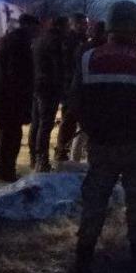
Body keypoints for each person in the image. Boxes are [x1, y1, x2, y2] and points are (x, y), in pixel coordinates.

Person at [71, 0, 136, 273]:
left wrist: (90, 126)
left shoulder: (89, 58)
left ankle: (83, 258)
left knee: (95, 201)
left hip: (101, 142)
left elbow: (75, 100)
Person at [0, 15, 40, 181]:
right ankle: (6, 172)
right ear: (28, 26)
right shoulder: (19, 44)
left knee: (5, 135)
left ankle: (0, 170)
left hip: (5, 96)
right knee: (11, 136)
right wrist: (23, 94)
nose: (37, 32)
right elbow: (16, 73)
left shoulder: (10, 40)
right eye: (35, 28)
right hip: (12, 98)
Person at [29, 16, 68, 172]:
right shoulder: (55, 41)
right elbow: (58, 66)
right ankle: (42, 159)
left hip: (37, 83)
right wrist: (62, 88)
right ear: (61, 26)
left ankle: (34, 157)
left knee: (36, 122)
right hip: (49, 87)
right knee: (45, 124)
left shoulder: (40, 39)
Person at [55, 13, 89, 163]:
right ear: (74, 25)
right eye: (83, 24)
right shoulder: (70, 42)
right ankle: (61, 152)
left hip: (77, 86)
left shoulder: (82, 40)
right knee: (68, 120)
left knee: (75, 121)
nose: (86, 27)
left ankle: (69, 152)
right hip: (70, 86)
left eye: (86, 24)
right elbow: (69, 65)